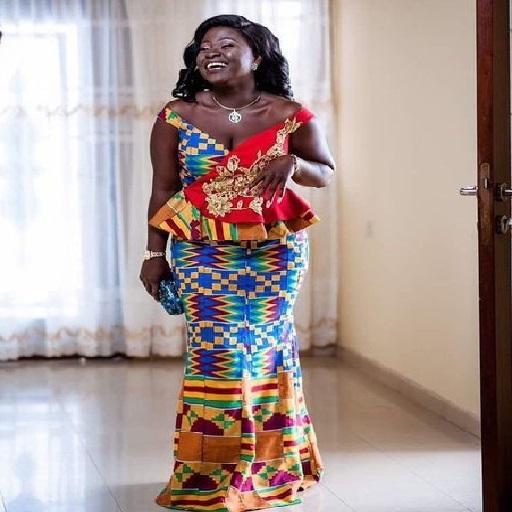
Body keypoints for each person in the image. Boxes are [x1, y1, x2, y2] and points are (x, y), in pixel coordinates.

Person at [139, 14, 335, 512]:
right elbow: (163, 189)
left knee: (268, 352)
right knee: (217, 357)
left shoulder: (290, 113)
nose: (212, 51)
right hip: (201, 251)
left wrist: (294, 163)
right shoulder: (176, 115)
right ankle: (209, 471)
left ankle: (273, 467)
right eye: (204, 45)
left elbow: (325, 173)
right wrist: (154, 253)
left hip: (275, 253)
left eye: (226, 43)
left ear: (257, 56)